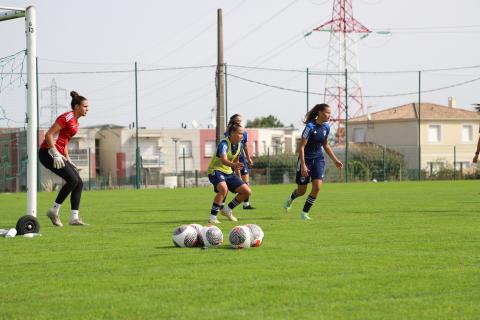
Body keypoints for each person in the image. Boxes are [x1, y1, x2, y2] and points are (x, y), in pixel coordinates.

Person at [283, 103, 343, 220]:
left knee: (317, 187)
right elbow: (301, 147)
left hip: (319, 160)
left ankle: (304, 213)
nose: (329, 115)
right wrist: (303, 165)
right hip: (306, 160)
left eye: (330, 113)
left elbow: (325, 145)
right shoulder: (310, 127)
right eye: (327, 113)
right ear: (320, 112)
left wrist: (335, 160)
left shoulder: (326, 128)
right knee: (301, 191)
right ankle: (290, 200)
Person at [39, 91, 89, 226]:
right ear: (77, 106)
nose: (87, 109)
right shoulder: (66, 117)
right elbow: (48, 135)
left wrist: (68, 158)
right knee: (72, 180)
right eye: (85, 106)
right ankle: (53, 211)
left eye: (87, 107)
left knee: (79, 182)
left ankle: (74, 218)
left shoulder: (76, 123)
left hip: (59, 154)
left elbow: (64, 140)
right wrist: (55, 153)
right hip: (47, 152)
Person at [207, 123, 252, 224]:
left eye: (243, 133)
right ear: (232, 133)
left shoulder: (240, 146)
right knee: (223, 189)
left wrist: (238, 175)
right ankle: (212, 217)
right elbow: (223, 160)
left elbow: (235, 161)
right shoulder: (224, 144)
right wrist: (234, 165)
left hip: (228, 172)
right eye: (240, 133)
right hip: (216, 170)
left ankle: (227, 210)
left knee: (247, 191)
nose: (242, 135)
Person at [225, 114, 255, 209]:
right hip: (232, 158)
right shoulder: (228, 133)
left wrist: (248, 158)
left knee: (246, 181)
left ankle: (246, 204)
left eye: (240, 120)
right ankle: (221, 204)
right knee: (227, 184)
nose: (239, 121)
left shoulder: (244, 133)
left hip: (241, 158)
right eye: (237, 120)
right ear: (233, 120)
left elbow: (245, 146)